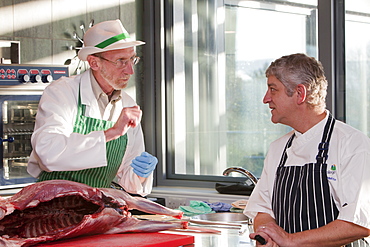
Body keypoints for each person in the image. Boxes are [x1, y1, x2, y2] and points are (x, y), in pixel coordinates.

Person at [244, 53, 370, 246]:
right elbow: (262, 209)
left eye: (272, 89)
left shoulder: (352, 144)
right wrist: (268, 235)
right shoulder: (278, 149)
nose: (265, 99)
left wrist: (291, 240)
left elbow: (359, 223)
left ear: (300, 93)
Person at [27, 19, 157, 197]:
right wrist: (111, 133)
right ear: (94, 62)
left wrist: (141, 173)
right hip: (52, 204)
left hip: (96, 207)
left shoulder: (127, 104)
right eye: (120, 61)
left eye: (132, 60)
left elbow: (129, 182)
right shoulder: (63, 92)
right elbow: (48, 153)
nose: (129, 71)